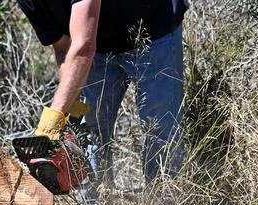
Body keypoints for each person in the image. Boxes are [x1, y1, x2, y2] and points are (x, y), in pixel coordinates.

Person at [16, 0, 189, 187]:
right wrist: (71, 103)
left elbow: (83, 46)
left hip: (152, 29)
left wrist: (53, 118)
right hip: (97, 47)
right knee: (88, 134)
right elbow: (64, 47)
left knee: (162, 131)